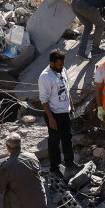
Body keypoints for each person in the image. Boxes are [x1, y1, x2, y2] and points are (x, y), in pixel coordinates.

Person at [39, 49, 75, 177]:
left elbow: (67, 88)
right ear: (52, 63)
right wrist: (50, 118)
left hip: (65, 112)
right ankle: (55, 168)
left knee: (67, 138)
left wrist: (71, 104)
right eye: (59, 64)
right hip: (54, 114)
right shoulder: (45, 77)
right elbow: (44, 100)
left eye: (62, 64)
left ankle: (70, 162)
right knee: (54, 141)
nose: (62, 66)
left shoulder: (62, 70)